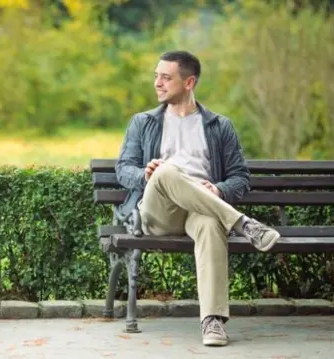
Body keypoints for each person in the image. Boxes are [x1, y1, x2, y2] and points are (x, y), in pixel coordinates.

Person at [115, 50, 281, 347]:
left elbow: (239, 177)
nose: (158, 83)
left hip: (199, 209)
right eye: (156, 76)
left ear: (189, 82)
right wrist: (144, 174)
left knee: (209, 223)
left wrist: (218, 190)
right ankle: (243, 223)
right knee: (165, 171)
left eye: (166, 77)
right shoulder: (143, 122)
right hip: (158, 212)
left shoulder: (219, 126)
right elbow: (123, 168)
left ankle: (213, 321)